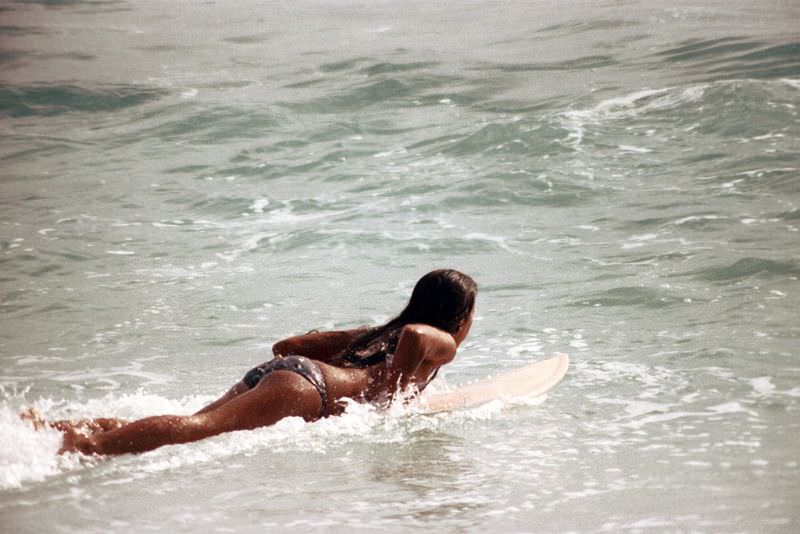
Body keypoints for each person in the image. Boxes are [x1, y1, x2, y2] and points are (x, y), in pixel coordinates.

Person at [33, 269, 477, 456]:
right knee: (198, 431)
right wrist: (390, 397)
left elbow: (287, 345)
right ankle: (86, 449)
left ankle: (63, 428)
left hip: (296, 375)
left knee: (192, 423)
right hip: (308, 390)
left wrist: (364, 339)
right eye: (472, 315)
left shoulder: (384, 335)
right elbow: (421, 335)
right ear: (459, 316)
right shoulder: (438, 342)